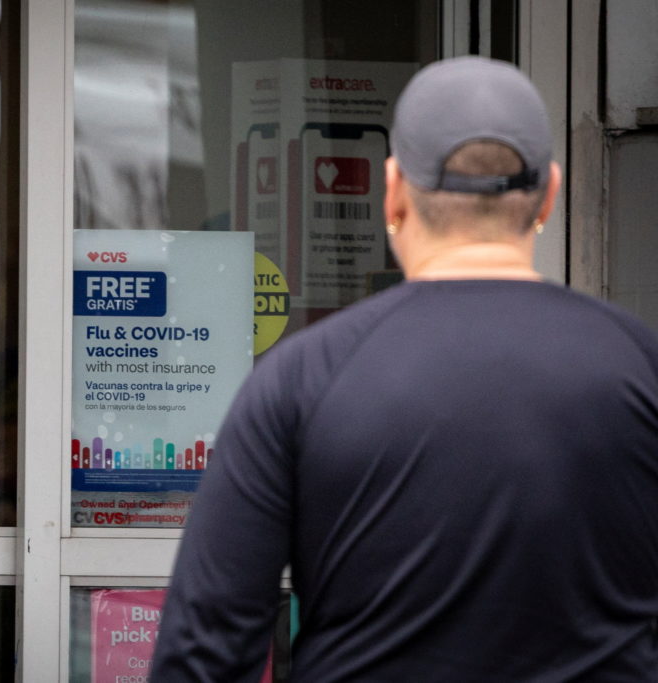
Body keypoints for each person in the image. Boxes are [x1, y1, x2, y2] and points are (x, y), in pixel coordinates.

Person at [151, 56, 658, 680]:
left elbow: (202, 653)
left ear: (392, 190)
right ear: (548, 193)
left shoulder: (302, 378)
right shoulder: (640, 367)